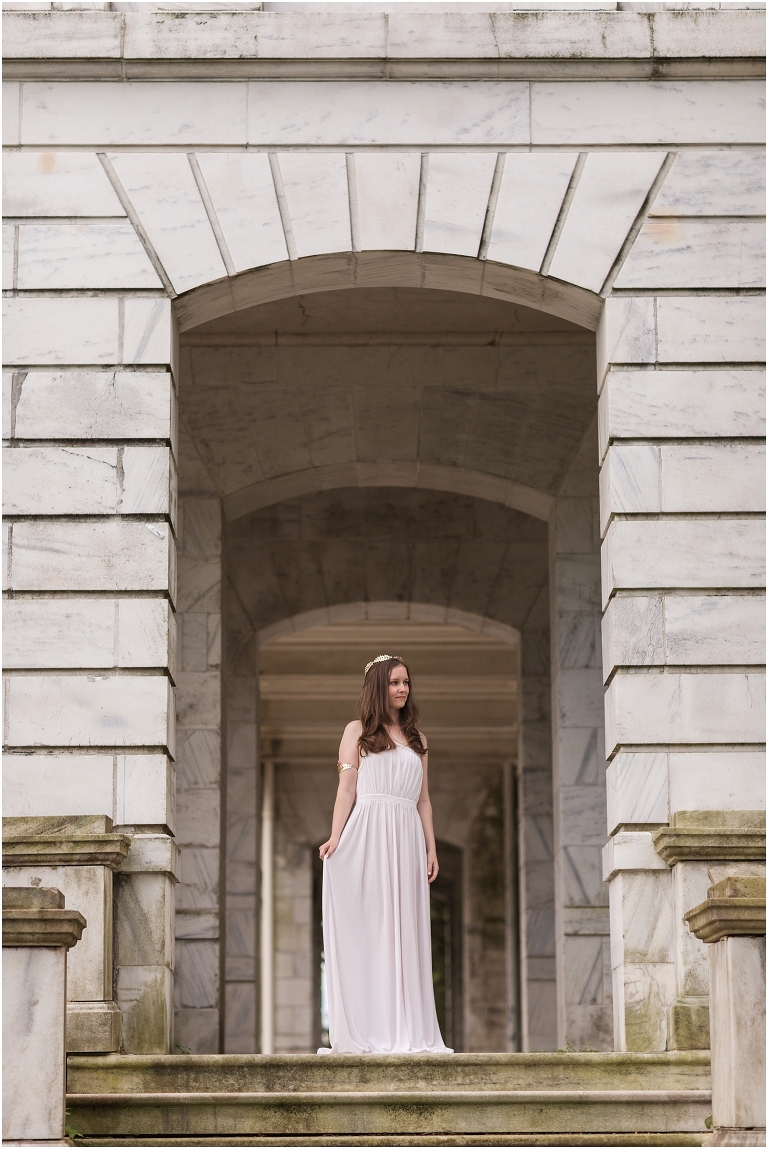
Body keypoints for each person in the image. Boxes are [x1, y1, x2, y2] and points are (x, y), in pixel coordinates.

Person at [318, 653, 452, 1055]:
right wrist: (335, 837)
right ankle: (370, 1026)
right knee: (372, 928)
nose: (403, 689)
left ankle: (407, 1028)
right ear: (379, 686)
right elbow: (346, 791)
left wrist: (431, 847)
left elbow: (424, 800)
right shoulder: (356, 731)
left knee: (406, 929)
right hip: (368, 834)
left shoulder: (419, 740)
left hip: (407, 837)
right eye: (395, 682)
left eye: (406, 682)